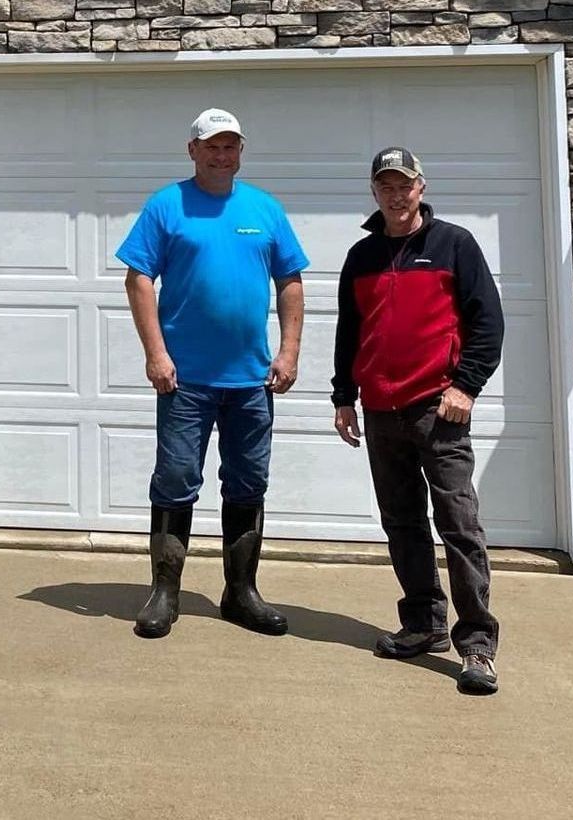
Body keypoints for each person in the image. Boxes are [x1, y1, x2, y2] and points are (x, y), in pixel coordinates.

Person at [116, 109, 308, 640]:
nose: (222, 155)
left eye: (231, 146)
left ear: (240, 152)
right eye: (212, 146)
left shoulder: (263, 209)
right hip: (185, 382)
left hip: (250, 381)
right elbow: (138, 281)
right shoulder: (166, 205)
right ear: (193, 150)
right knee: (176, 479)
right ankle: (164, 593)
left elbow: (290, 282)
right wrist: (156, 354)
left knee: (248, 481)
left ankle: (241, 593)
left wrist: (288, 353)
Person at [331, 147, 504, 695]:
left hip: (439, 409)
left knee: (458, 524)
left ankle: (476, 643)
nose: (396, 193)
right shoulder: (361, 257)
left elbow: (488, 323)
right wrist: (344, 396)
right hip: (381, 412)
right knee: (402, 522)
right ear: (374, 191)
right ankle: (422, 624)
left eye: (404, 184)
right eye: (386, 185)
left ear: (421, 187)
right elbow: (348, 333)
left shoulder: (454, 244)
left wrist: (465, 387)